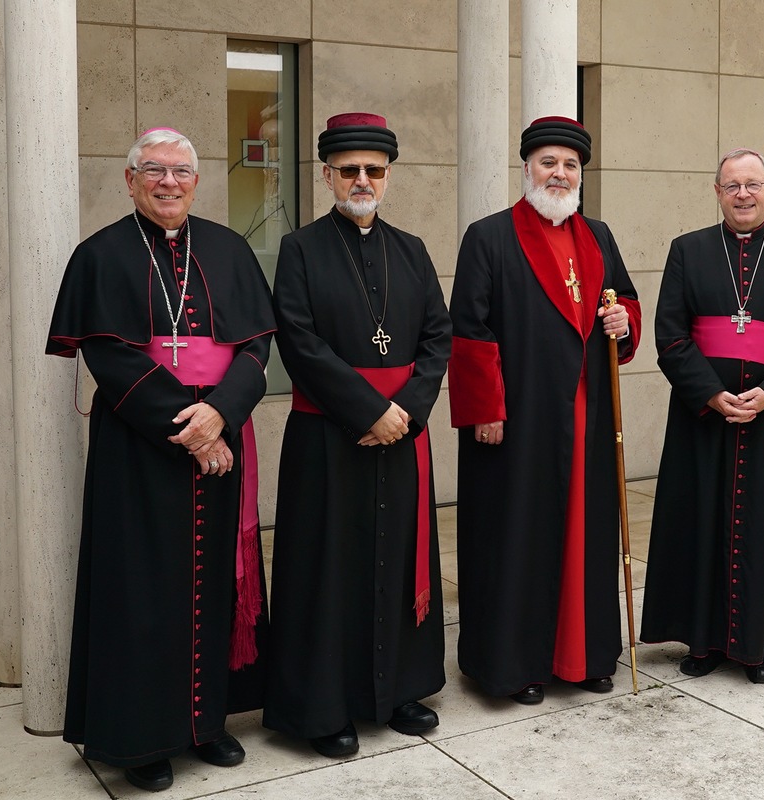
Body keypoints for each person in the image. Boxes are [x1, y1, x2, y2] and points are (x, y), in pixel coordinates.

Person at [46, 128, 275, 792]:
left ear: (197, 182)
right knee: (140, 588)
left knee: (214, 585)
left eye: (181, 171)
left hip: (222, 439)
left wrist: (221, 416)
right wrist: (193, 429)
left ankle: (206, 725)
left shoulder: (229, 250)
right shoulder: (101, 255)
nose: (168, 181)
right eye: (153, 170)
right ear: (129, 179)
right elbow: (108, 356)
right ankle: (143, 737)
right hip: (140, 446)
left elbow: (258, 349)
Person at [263, 113, 451, 757]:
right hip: (329, 437)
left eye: (374, 170)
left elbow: (437, 338)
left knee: (397, 560)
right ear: (327, 176)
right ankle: (325, 707)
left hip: (402, 434)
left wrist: (407, 410)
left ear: (389, 176)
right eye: (349, 171)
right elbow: (298, 340)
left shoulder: (414, 250)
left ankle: (396, 690)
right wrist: (368, 410)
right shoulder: (300, 249)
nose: (362, 181)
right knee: (328, 569)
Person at [448, 116, 642, 704]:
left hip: (585, 416)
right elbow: (469, 330)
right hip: (517, 419)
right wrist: (485, 407)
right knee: (519, 536)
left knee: (586, 535)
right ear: (527, 168)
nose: (559, 174)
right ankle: (517, 665)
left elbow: (624, 301)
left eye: (571, 166)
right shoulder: (489, 236)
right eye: (548, 163)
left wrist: (622, 321)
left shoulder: (599, 235)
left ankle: (583, 657)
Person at [639, 148, 764, 684]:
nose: (743, 194)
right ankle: (702, 640)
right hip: (703, 418)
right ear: (717, 192)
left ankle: (757, 643)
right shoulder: (688, 250)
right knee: (700, 521)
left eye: (753, 183)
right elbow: (670, 335)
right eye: (732, 185)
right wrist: (709, 393)